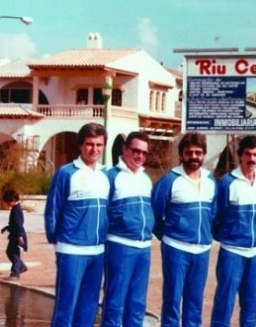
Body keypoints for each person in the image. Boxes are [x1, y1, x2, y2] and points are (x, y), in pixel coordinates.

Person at [44, 122, 110, 327]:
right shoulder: (66, 173)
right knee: (66, 307)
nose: (95, 149)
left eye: (99, 145)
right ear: (80, 145)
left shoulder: (105, 175)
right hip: (71, 249)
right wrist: (58, 242)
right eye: (90, 144)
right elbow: (52, 210)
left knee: (89, 306)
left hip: (97, 251)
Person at [152, 132, 217, 327]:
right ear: (182, 155)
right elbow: (155, 213)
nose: (194, 157)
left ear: (204, 154)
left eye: (198, 152)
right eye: (189, 153)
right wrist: (170, 236)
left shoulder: (211, 181)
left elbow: (213, 213)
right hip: (176, 249)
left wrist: (206, 234)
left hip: (202, 251)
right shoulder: (169, 180)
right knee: (172, 300)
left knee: (195, 301)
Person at [210, 136, 256, 327]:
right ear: (239, 156)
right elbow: (217, 216)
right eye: (247, 154)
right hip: (232, 252)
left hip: (255, 254)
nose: (251, 159)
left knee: (250, 304)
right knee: (224, 303)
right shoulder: (228, 182)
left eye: (255, 155)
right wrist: (229, 237)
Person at [102, 132, 154, 327]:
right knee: (115, 303)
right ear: (125, 149)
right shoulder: (111, 177)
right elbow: (103, 213)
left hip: (144, 247)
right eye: (135, 151)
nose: (139, 156)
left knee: (137, 304)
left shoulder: (145, 178)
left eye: (144, 153)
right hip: (120, 245)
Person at [2, 189, 28, 281]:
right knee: (11, 252)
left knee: (13, 253)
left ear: (12, 199)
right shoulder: (16, 208)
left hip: (17, 235)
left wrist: (20, 236)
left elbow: (18, 224)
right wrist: (6, 228)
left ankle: (15, 273)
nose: (8, 204)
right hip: (15, 234)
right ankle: (21, 266)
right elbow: (14, 223)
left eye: (8, 202)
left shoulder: (16, 210)